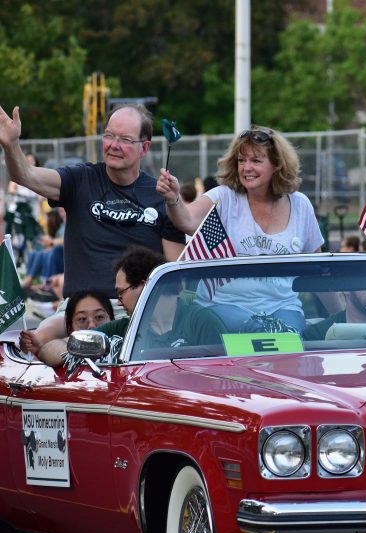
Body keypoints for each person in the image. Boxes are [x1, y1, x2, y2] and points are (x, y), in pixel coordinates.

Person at [0, 102, 186, 349]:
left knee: (64, 349)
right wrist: (11, 145)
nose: (113, 145)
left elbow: (174, 277)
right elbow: (25, 175)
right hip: (78, 310)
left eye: (124, 139)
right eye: (109, 135)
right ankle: (48, 344)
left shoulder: (162, 196)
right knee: (47, 344)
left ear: (145, 147)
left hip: (137, 312)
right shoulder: (80, 179)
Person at [156, 125, 325, 333]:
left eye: (256, 160)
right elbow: (187, 220)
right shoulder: (224, 197)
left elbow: (318, 270)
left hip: (283, 307)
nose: (246, 168)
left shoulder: (301, 204)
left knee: (288, 336)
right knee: (260, 330)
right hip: (222, 306)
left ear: (277, 165)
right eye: (241, 160)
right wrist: (173, 199)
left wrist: (342, 315)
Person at [37, 246, 166, 366]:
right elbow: (48, 350)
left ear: (142, 287)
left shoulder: (186, 318)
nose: (119, 302)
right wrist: (78, 350)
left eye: (121, 293)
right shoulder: (122, 327)